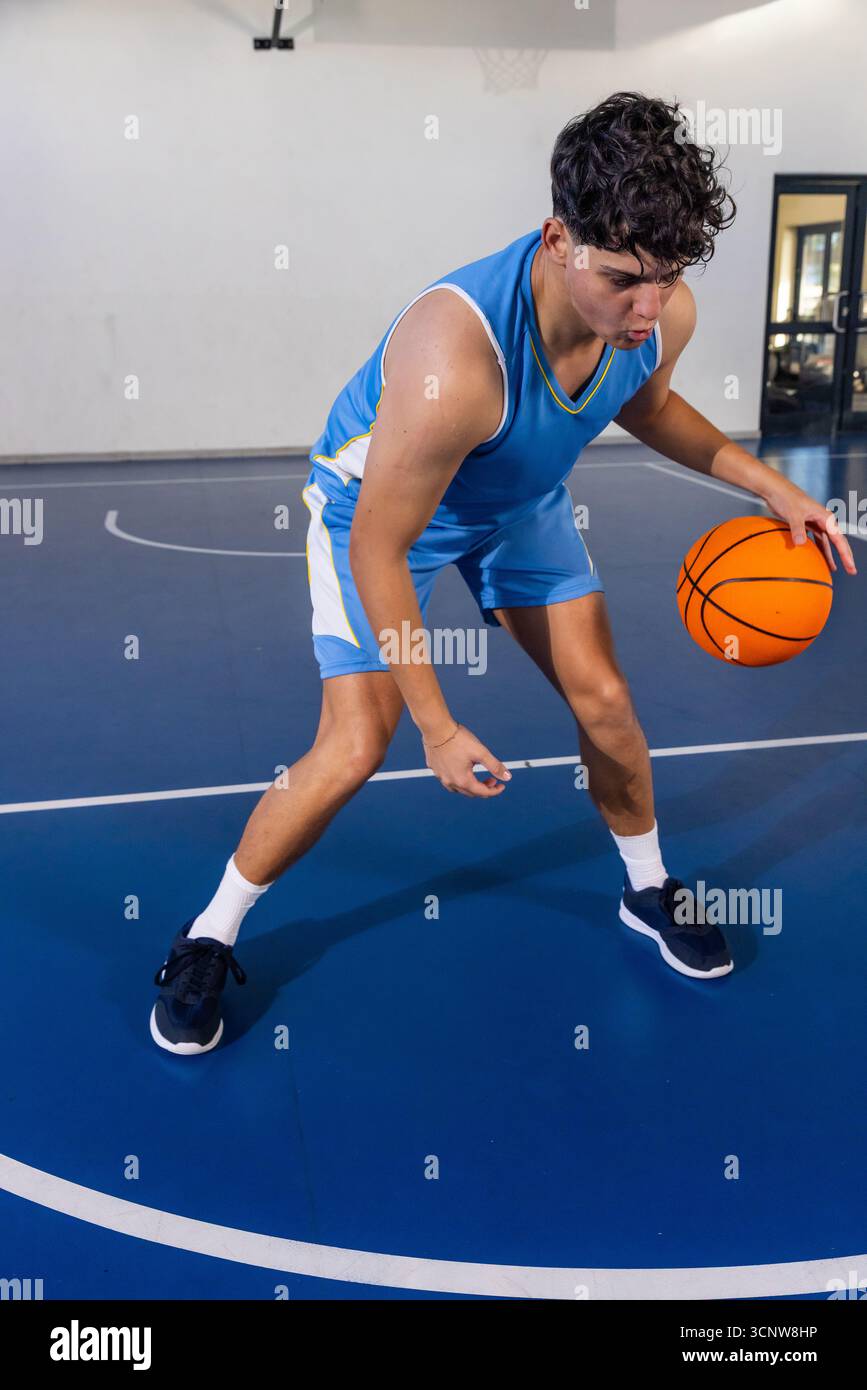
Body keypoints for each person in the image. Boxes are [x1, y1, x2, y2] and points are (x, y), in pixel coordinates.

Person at [151, 91, 856, 1054]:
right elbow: (378, 552)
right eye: (622, 280)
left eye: (668, 277)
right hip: (383, 513)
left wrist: (770, 485)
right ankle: (207, 934)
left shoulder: (654, 311)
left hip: (517, 499)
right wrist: (436, 727)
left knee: (605, 699)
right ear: (557, 238)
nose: (647, 308)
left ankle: (647, 888)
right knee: (359, 742)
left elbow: (646, 408)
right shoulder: (458, 359)